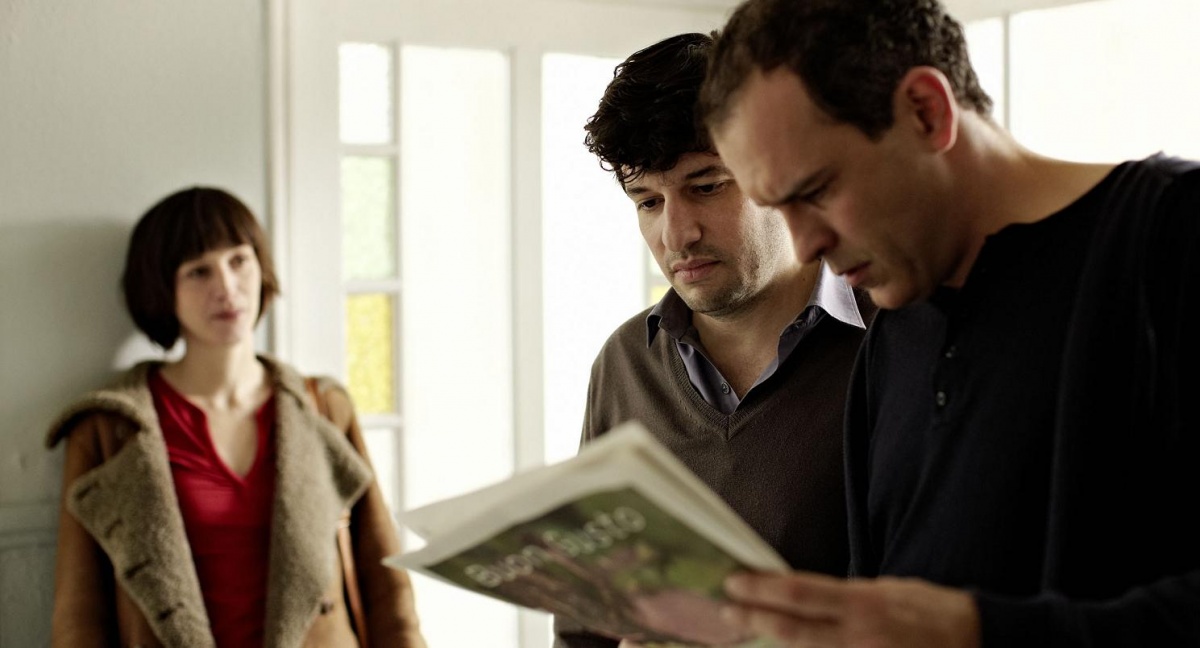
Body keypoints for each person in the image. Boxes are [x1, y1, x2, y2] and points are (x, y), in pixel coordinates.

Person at [697, 0, 1200, 646]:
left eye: (816, 191)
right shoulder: (890, 341)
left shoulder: (1173, 238)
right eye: (778, 209)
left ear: (927, 112)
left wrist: (975, 631)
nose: (804, 246)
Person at [554, 32, 876, 648]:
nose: (676, 235)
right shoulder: (624, 365)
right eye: (648, 201)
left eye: (706, 186)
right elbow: (585, 622)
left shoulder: (893, 344)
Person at [45, 187, 427, 648]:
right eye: (199, 271)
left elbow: (386, 586)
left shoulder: (322, 407)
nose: (226, 287)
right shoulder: (108, 429)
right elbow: (80, 616)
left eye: (239, 261)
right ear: (163, 289)